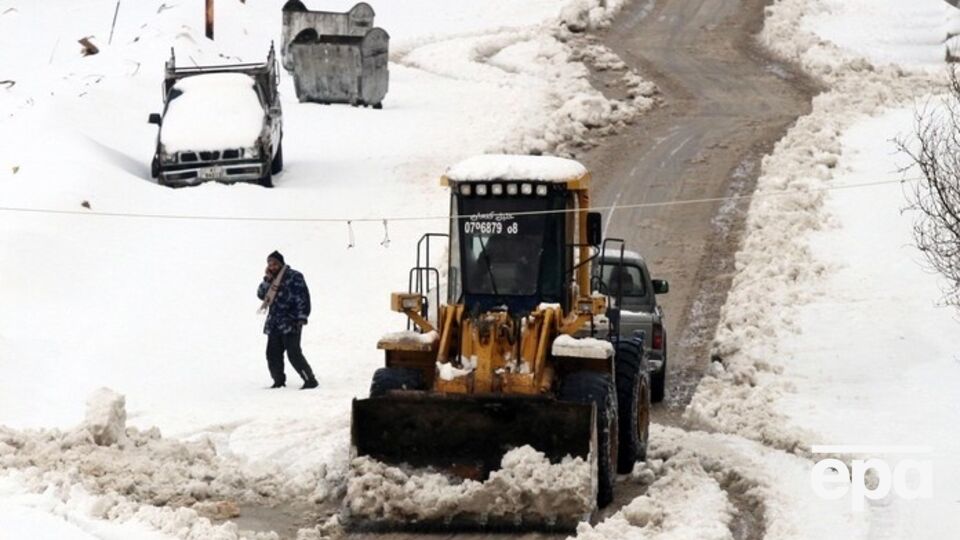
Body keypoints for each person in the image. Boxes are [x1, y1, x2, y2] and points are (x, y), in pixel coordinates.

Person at [257, 251, 318, 389]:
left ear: (281, 263)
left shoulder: (294, 276)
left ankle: (310, 380)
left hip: (291, 322)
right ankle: (278, 381)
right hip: (274, 323)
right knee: (272, 355)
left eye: (274, 263)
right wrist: (267, 279)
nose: (272, 266)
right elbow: (261, 295)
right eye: (269, 264)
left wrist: (302, 317)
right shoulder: (270, 279)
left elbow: (303, 297)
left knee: (293, 353)